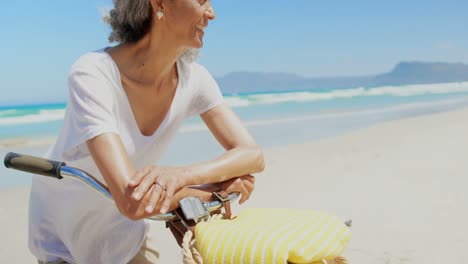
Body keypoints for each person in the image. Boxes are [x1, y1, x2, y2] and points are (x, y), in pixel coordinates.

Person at [28, 0, 265, 263]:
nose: (211, 13)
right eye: (201, 1)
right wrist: (216, 189)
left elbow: (252, 155)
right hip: (65, 236)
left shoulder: (194, 78)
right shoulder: (93, 73)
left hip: (124, 233)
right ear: (160, 4)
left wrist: (181, 175)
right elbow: (131, 201)